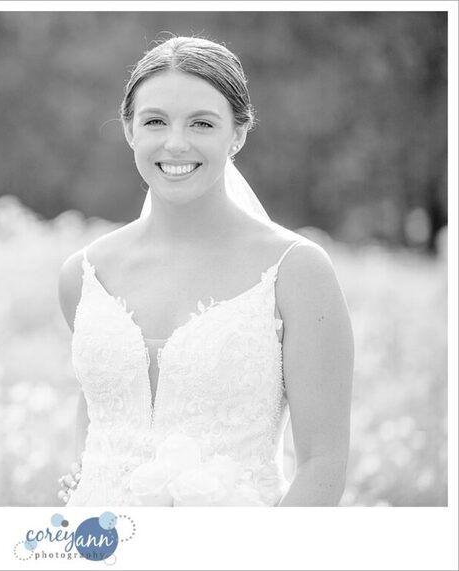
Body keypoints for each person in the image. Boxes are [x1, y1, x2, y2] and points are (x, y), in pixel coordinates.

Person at [57, 36, 354, 506]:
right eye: (155, 121)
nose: (176, 142)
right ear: (130, 130)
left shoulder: (296, 272)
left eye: (201, 123)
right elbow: (99, 405)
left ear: (236, 133)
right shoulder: (84, 274)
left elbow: (323, 463)